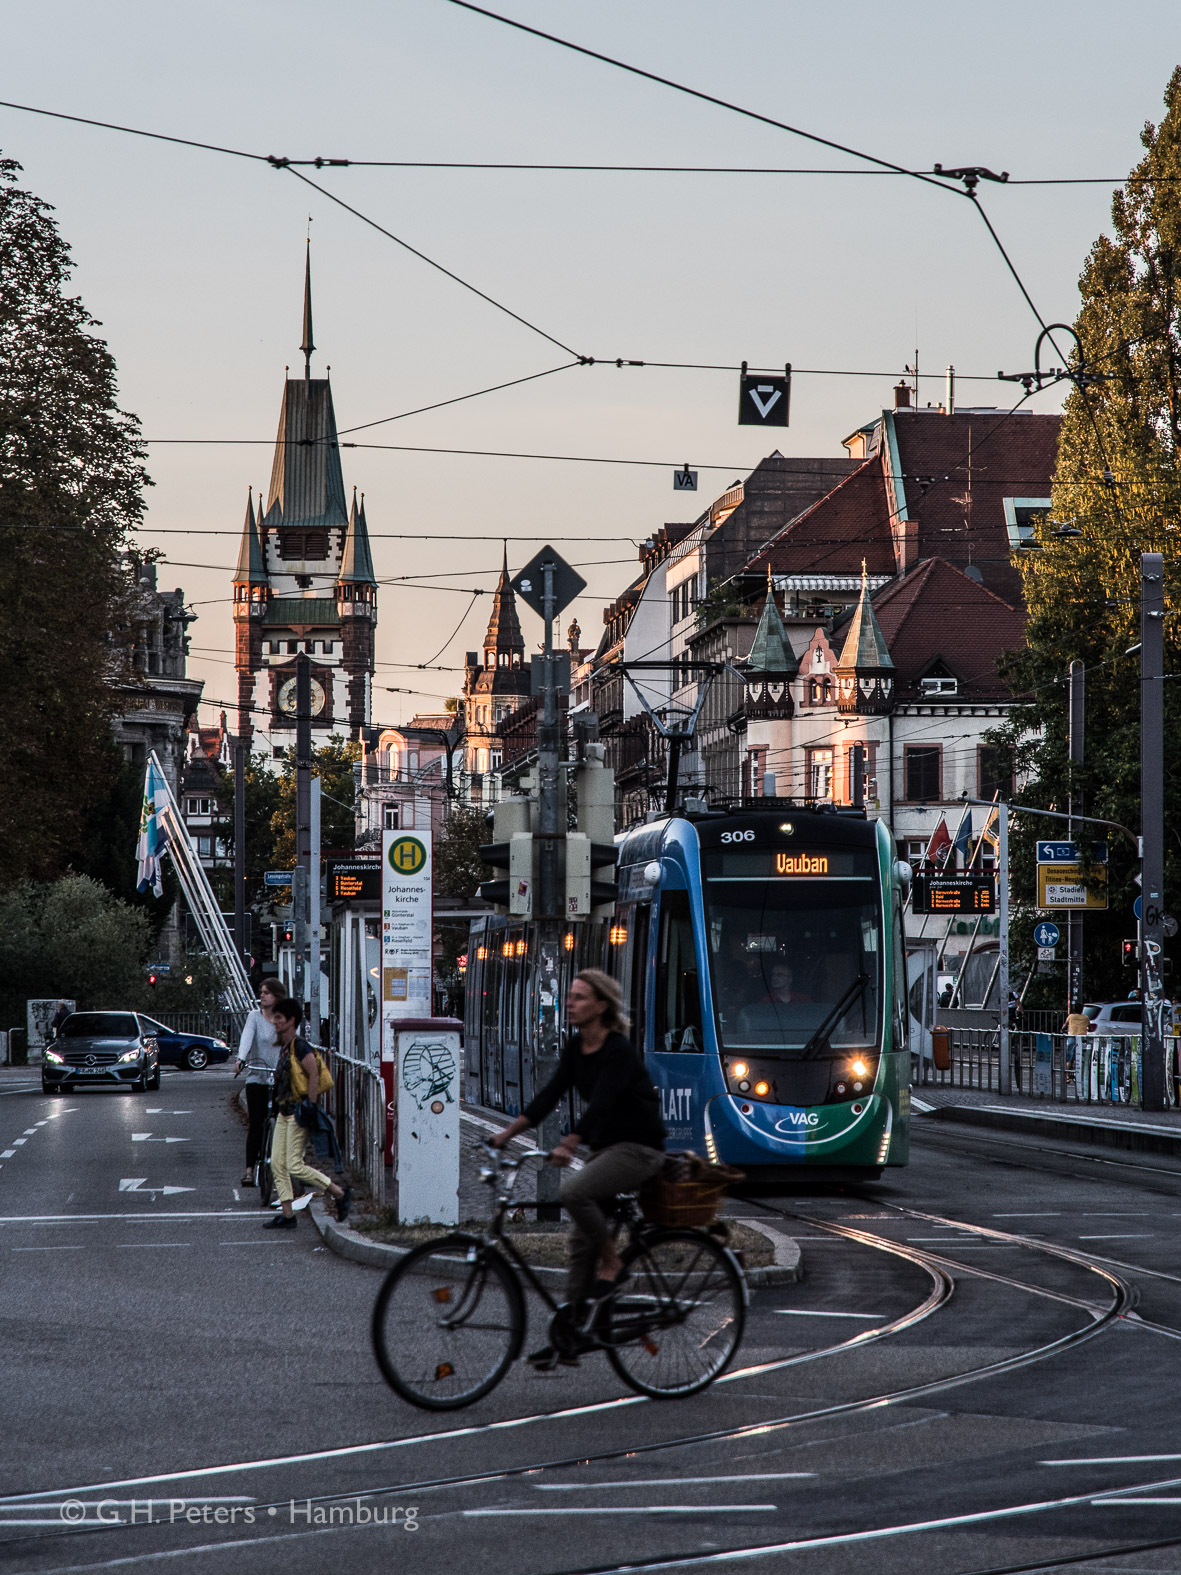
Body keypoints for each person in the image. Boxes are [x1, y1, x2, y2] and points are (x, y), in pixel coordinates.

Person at [490, 968, 666, 1368]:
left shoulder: (617, 1049)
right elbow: (548, 1096)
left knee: (572, 1193)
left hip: (639, 1149)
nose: (570, 1003)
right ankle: (569, 1334)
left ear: (601, 1006)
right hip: (607, 1150)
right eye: (570, 997)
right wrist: (504, 1135)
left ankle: (613, 1262)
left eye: (580, 998)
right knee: (578, 1243)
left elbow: (603, 1100)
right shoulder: (575, 1048)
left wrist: (569, 1143)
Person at [264, 999, 351, 1230]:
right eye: (275, 1018)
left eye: (279, 1018)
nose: (275, 1022)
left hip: (298, 1112)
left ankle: (339, 1192)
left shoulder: (300, 1046)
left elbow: (314, 1073)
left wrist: (311, 1105)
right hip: (284, 1112)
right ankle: (287, 1214)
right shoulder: (285, 1045)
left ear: (292, 1020)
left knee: (293, 1165)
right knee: (278, 1165)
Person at [233, 977, 282, 1188]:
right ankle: (249, 1171)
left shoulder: (285, 1018)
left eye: (266, 992)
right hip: (257, 1076)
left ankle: (284, 1170)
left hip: (281, 1078)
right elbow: (246, 1037)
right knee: (256, 1124)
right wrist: (241, 1058)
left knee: (283, 1125)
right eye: (261, 992)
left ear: (277, 996)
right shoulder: (254, 1016)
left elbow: (295, 1041)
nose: (261, 996)